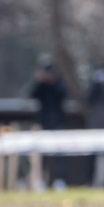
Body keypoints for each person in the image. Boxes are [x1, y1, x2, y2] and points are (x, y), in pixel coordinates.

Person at [30, 59, 69, 189]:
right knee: (43, 154)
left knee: (59, 154)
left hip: (58, 123)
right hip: (43, 124)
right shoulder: (41, 86)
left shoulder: (58, 84)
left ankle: (60, 180)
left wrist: (54, 81)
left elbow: (64, 94)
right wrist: (40, 81)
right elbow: (32, 94)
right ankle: (41, 181)